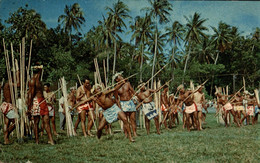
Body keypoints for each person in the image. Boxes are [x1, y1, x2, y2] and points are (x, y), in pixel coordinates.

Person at [27, 65, 54, 145]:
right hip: (36, 101)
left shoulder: (39, 80)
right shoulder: (32, 81)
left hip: (42, 101)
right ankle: (37, 141)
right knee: (36, 122)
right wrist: (29, 107)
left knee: (46, 120)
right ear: (38, 71)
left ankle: (50, 139)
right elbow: (30, 95)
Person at [113, 72, 137, 137]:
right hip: (122, 103)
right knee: (125, 120)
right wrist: (119, 106)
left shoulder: (128, 84)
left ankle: (134, 133)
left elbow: (133, 92)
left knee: (133, 119)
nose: (122, 77)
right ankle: (126, 134)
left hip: (130, 102)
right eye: (120, 77)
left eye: (121, 76)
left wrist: (134, 99)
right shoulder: (116, 88)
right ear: (117, 80)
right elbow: (116, 99)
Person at [0, 79, 19, 144]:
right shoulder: (9, 84)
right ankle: (6, 134)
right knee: (17, 121)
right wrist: (17, 74)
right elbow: (18, 84)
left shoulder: (5, 85)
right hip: (8, 106)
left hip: (5, 105)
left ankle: (6, 140)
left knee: (6, 123)